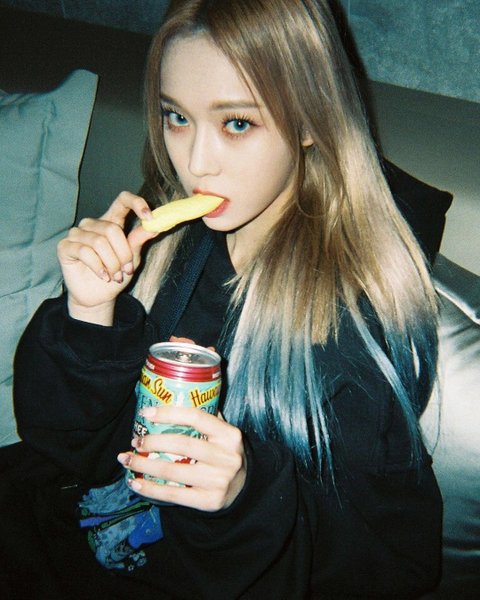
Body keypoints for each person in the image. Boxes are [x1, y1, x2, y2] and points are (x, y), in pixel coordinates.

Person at [2, 0, 443, 598]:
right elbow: (61, 444)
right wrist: (90, 314)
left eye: (236, 123)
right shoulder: (165, 245)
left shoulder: (353, 319)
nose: (195, 164)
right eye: (176, 117)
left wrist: (246, 498)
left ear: (310, 120)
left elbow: (392, 565)